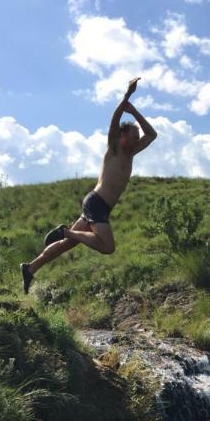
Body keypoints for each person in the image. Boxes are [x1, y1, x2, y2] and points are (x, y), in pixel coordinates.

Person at [20, 77, 157, 293]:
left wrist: (134, 112)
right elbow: (114, 121)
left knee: (67, 245)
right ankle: (66, 231)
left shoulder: (131, 152)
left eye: (136, 137)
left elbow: (152, 134)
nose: (136, 140)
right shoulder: (114, 149)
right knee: (107, 247)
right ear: (121, 137)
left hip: (100, 206)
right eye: (132, 136)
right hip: (97, 202)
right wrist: (126, 97)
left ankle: (30, 268)